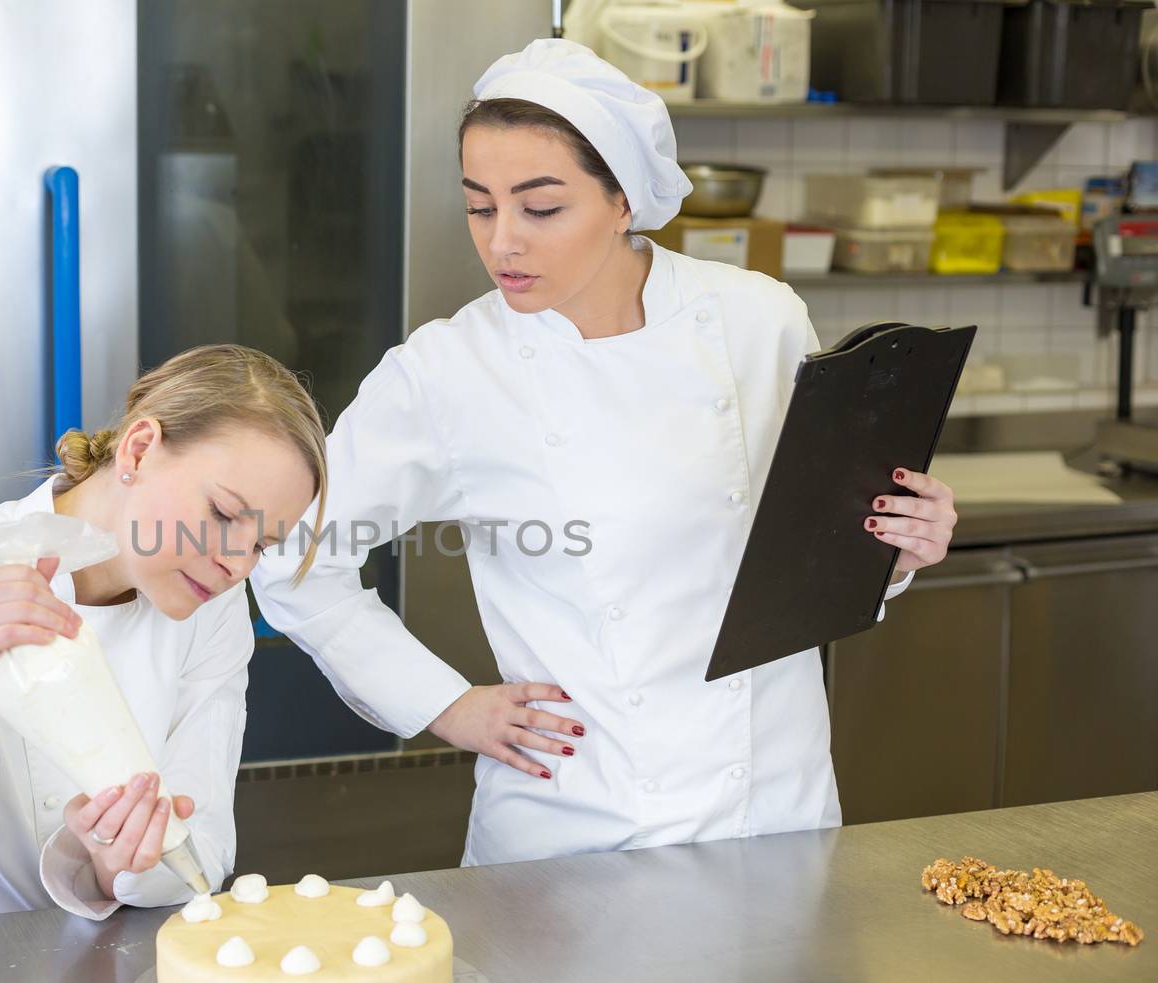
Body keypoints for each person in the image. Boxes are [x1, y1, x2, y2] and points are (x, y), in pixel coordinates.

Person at [250, 40, 957, 866]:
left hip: (777, 807)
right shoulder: (449, 371)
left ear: (623, 199)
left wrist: (899, 545)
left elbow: (813, 548)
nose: (502, 242)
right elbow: (296, 559)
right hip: (576, 827)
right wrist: (445, 704)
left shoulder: (758, 319)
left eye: (540, 208)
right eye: (480, 206)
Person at [0, 345, 327, 950]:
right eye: (225, 514)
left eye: (263, 545)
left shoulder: (212, 613)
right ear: (139, 449)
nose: (236, 564)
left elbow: (199, 856)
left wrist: (107, 863)